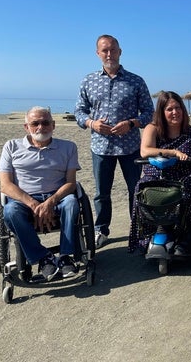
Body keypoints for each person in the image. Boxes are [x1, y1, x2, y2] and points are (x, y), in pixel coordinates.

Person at [75, 34, 154, 249]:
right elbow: (79, 112)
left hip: (130, 147)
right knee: (102, 193)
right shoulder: (88, 81)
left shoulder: (136, 81)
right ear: (98, 53)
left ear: (120, 51)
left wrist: (132, 123)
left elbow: (149, 112)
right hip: (100, 148)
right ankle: (102, 230)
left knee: (136, 190)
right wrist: (92, 124)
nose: (109, 54)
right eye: (104, 50)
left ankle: (137, 229)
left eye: (112, 49)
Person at [128, 91, 191, 255]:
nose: (175, 112)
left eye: (178, 108)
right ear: (162, 112)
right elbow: (145, 151)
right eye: (170, 109)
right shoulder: (153, 128)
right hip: (158, 176)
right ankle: (146, 234)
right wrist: (172, 152)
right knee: (140, 187)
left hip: (186, 176)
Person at [0, 106, 81, 281]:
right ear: (26, 127)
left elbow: (71, 183)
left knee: (72, 203)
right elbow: (5, 185)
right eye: (35, 123)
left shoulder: (68, 147)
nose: (40, 127)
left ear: (53, 125)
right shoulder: (11, 146)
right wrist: (34, 205)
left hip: (57, 195)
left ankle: (66, 256)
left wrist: (50, 202)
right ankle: (44, 258)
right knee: (10, 212)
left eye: (45, 123)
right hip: (24, 198)